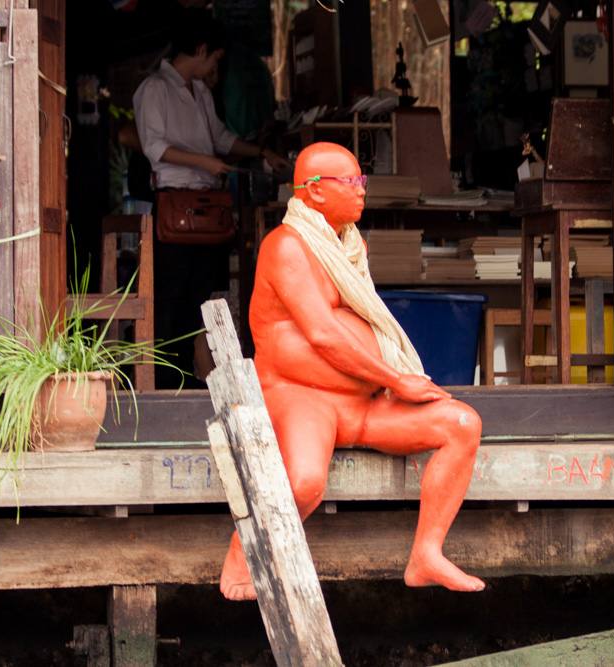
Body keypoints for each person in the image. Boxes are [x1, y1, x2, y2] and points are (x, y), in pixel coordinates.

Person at [219, 142, 485, 600]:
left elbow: (362, 320)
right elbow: (322, 334)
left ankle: (427, 554)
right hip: (299, 393)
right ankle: (241, 557)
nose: (362, 190)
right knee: (304, 481)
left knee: (462, 424)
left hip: (360, 402)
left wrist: (388, 380)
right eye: (351, 181)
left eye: (362, 180)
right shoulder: (285, 246)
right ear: (315, 192)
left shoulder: (351, 245)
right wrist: (395, 378)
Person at [132, 10, 290, 386]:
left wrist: (258, 153)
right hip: (175, 205)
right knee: (169, 301)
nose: (216, 66)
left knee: (200, 299)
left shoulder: (200, 91)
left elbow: (220, 138)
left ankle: (191, 382)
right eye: (216, 58)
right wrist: (203, 161)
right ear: (201, 50)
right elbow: (154, 147)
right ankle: (163, 387)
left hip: (207, 209)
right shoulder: (153, 90)